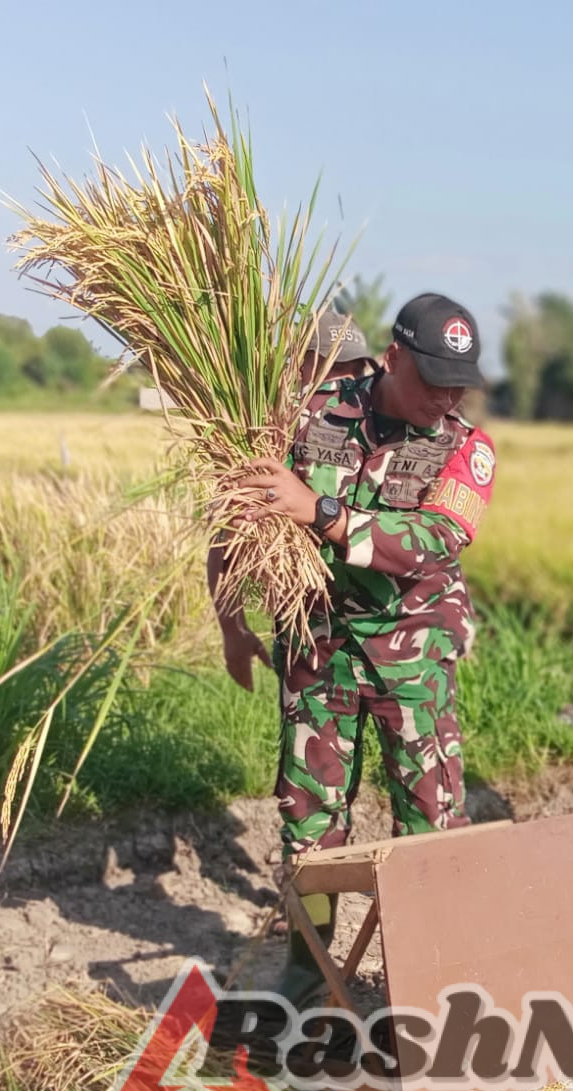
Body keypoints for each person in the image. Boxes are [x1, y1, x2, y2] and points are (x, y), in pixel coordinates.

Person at [226, 293, 495, 1000]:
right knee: (308, 816)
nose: (446, 397)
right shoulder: (306, 416)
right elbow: (238, 509)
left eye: (458, 384)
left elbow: (434, 542)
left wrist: (320, 512)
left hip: (412, 658)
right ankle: (308, 973)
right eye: (432, 379)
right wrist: (231, 620)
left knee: (430, 817)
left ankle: (437, 979)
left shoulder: (466, 446)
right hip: (317, 650)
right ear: (393, 358)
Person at [208, 307, 379, 692]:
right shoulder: (270, 433)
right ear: (298, 370)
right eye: (327, 373)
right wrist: (233, 630)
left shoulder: (384, 431)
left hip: (387, 639)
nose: (340, 388)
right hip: (309, 639)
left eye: (353, 373)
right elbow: (226, 532)